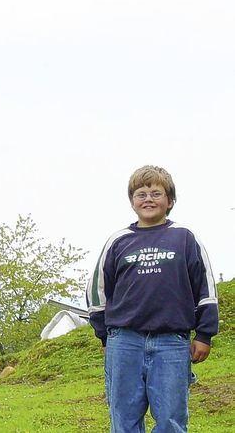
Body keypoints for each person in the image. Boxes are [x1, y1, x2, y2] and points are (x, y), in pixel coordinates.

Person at [86, 165, 218, 432]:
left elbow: (205, 288)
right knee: (124, 419)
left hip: (172, 342)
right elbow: (97, 290)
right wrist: (104, 334)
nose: (148, 199)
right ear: (132, 201)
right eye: (141, 194)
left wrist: (204, 334)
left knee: (171, 419)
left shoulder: (184, 238)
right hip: (124, 341)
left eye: (156, 193)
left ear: (169, 201)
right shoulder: (118, 241)